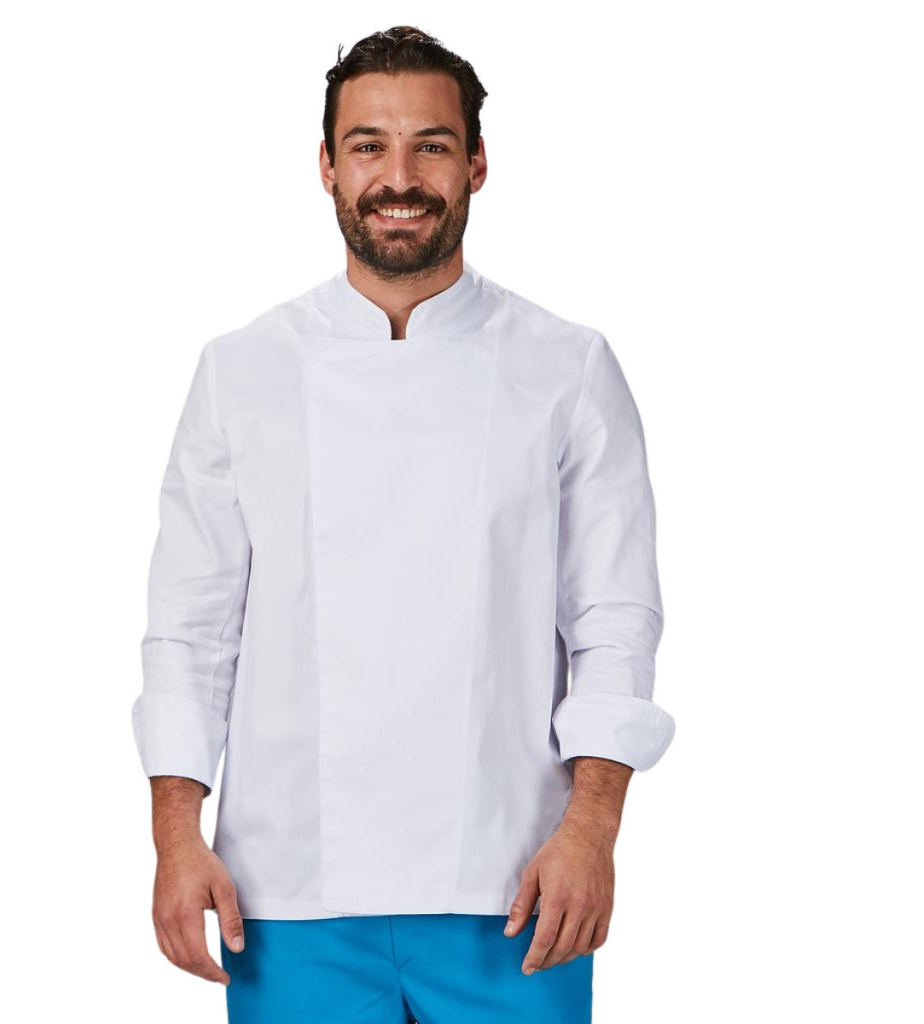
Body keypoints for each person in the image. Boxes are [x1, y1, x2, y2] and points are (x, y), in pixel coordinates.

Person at [131, 24, 676, 1024]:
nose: (399, 177)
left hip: (514, 887)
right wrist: (176, 835)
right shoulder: (241, 371)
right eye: (369, 146)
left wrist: (591, 832)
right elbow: (190, 632)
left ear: (476, 163)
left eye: (430, 145)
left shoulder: (566, 367)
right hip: (287, 892)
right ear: (327, 166)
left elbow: (614, 622)